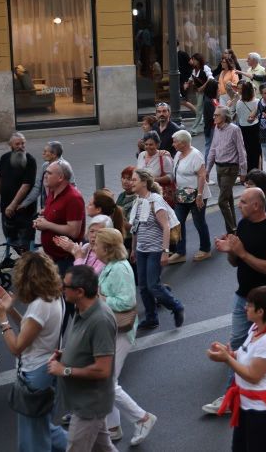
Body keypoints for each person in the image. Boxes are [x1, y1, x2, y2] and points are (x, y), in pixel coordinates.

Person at [203, 188, 266, 416]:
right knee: (236, 343)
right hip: (243, 295)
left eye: (243, 202)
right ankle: (230, 396)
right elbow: (236, 262)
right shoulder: (243, 224)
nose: (239, 205)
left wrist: (242, 253)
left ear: (257, 205)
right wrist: (230, 251)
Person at [0, 251, 67, 451]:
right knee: (43, 429)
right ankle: (80, 446)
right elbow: (31, 332)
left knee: (33, 441)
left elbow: (16, 347)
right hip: (47, 370)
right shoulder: (53, 297)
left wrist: (1, 317)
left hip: (36, 375)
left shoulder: (39, 306)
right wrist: (10, 309)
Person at [206, 285, 266, 450]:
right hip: (247, 405)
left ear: (260, 312)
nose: (245, 307)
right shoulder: (256, 327)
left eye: (250, 305)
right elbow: (245, 353)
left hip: (260, 410)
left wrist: (227, 360)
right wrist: (229, 353)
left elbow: (253, 375)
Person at [93, 229, 157, 445]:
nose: (93, 248)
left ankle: (143, 418)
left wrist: (101, 299)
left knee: (107, 382)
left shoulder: (119, 269)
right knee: (106, 381)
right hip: (112, 330)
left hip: (121, 332)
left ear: (107, 248)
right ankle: (113, 427)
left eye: (96, 244)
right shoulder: (111, 266)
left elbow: (127, 303)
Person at [48, 266, 118, 451]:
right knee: (104, 448)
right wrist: (68, 354)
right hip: (82, 401)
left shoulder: (100, 320)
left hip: (90, 405)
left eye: (65, 286)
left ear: (79, 292)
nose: (62, 290)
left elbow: (103, 369)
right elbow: (87, 347)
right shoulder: (81, 311)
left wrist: (65, 370)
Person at [127, 169, 184, 330]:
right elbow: (135, 228)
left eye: (134, 180)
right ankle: (152, 318)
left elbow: (166, 227)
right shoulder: (137, 201)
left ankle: (176, 306)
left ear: (144, 182)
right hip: (141, 250)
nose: (131, 182)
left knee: (153, 285)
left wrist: (165, 251)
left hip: (155, 249)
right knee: (143, 286)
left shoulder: (156, 201)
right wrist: (133, 249)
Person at [33, 159, 85, 277]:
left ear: (60, 177)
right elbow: (53, 218)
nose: (45, 176)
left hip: (65, 261)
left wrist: (47, 225)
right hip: (52, 258)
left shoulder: (73, 198)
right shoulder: (53, 192)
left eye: (49, 173)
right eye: (46, 172)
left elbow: (74, 231)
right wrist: (40, 222)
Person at [170, 129, 213, 262]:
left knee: (199, 222)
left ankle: (205, 249)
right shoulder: (178, 154)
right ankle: (180, 252)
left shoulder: (195, 155)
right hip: (182, 195)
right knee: (177, 222)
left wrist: (199, 195)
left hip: (196, 196)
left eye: (175, 142)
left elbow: (201, 175)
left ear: (183, 143)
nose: (173, 144)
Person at [207, 106, 248, 234]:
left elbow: (241, 151)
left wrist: (243, 172)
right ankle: (231, 231)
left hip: (231, 168)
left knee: (222, 201)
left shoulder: (234, 130)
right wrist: (207, 170)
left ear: (225, 116)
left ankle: (234, 230)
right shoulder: (216, 129)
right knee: (228, 200)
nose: (214, 117)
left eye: (217, 115)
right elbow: (213, 150)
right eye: (214, 115)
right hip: (219, 168)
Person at [0, 132, 38, 253]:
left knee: (25, 245)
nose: (21, 146)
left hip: (24, 210)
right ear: (11, 145)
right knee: (11, 239)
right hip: (6, 209)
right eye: (17, 144)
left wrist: (13, 205)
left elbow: (26, 185)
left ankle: (34, 266)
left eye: (23, 143)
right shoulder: (4, 158)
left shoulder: (30, 160)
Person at [235, 80, 263, 172]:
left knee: (247, 152)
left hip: (243, 128)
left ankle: (248, 172)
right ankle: (257, 172)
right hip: (255, 129)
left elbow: (238, 115)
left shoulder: (239, 102)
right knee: (256, 153)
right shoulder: (257, 102)